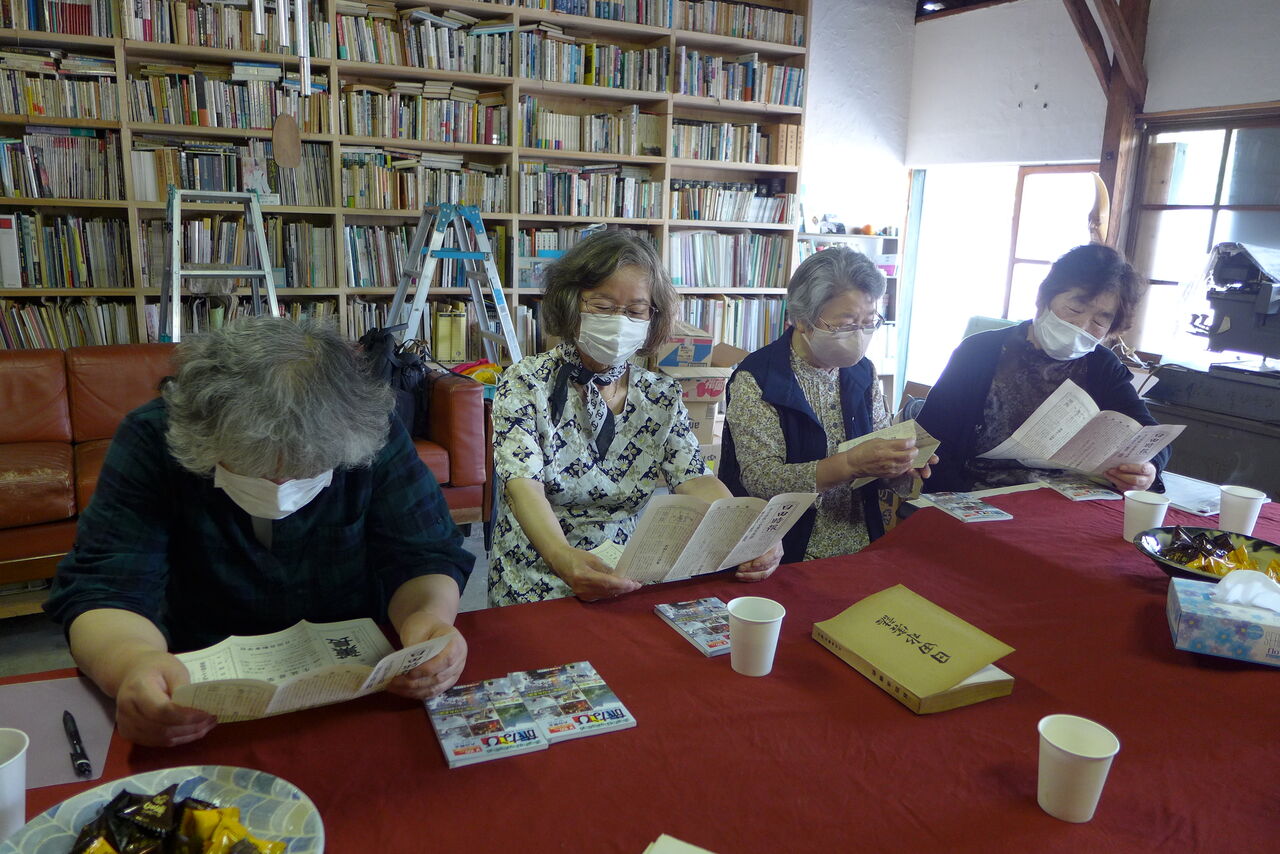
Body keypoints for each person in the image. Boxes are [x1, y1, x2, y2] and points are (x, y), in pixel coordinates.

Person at [44, 316, 474, 747]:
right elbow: (106, 589)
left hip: (358, 679)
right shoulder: (154, 437)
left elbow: (424, 554)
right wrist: (132, 664)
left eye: (305, 471)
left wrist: (428, 621)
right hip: (199, 683)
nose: (280, 487)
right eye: (253, 469)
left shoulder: (367, 427)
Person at [489, 231, 783, 605]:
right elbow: (522, 487)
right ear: (570, 303)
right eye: (603, 306)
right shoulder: (525, 383)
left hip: (626, 575)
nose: (619, 322)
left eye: (635, 311)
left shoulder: (660, 394)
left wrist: (748, 530)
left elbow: (695, 478)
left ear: (652, 317)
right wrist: (562, 559)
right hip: (536, 574)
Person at [720, 246, 937, 563]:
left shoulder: (863, 372)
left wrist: (898, 467)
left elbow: (878, 448)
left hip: (860, 543)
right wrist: (849, 464)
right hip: (783, 552)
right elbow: (761, 480)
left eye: (868, 323)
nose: (859, 336)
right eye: (846, 325)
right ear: (802, 319)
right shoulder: (759, 378)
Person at [917, 243, 1169, 494]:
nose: (1082, 326)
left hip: (1069, 499)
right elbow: (929, 436)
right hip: (976, 495)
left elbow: (1151, 436)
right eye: (1074, 309)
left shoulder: (1102, 366)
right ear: (1044, 298)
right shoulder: (979, 352)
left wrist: (1148, 469)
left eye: (1099, 320)